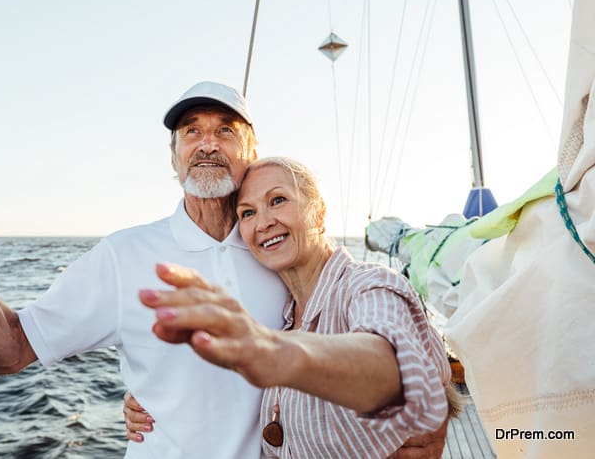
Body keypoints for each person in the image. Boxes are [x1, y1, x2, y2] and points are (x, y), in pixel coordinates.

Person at [0, 81, 448, 458]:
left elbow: (382, 344)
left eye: (225, 130)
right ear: (174, 157)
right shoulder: (124, 256)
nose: (207, 143)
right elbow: (7, 350)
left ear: (250, 151)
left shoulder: (279, 255)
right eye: (191, 131)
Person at [136, 157, 454, 457]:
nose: (263, 222)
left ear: (318, 212)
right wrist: (155, 397)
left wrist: (275, 353)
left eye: (278, 200)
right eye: (247, 213)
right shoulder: (281, 314)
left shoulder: (370, 286)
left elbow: (390, 365)